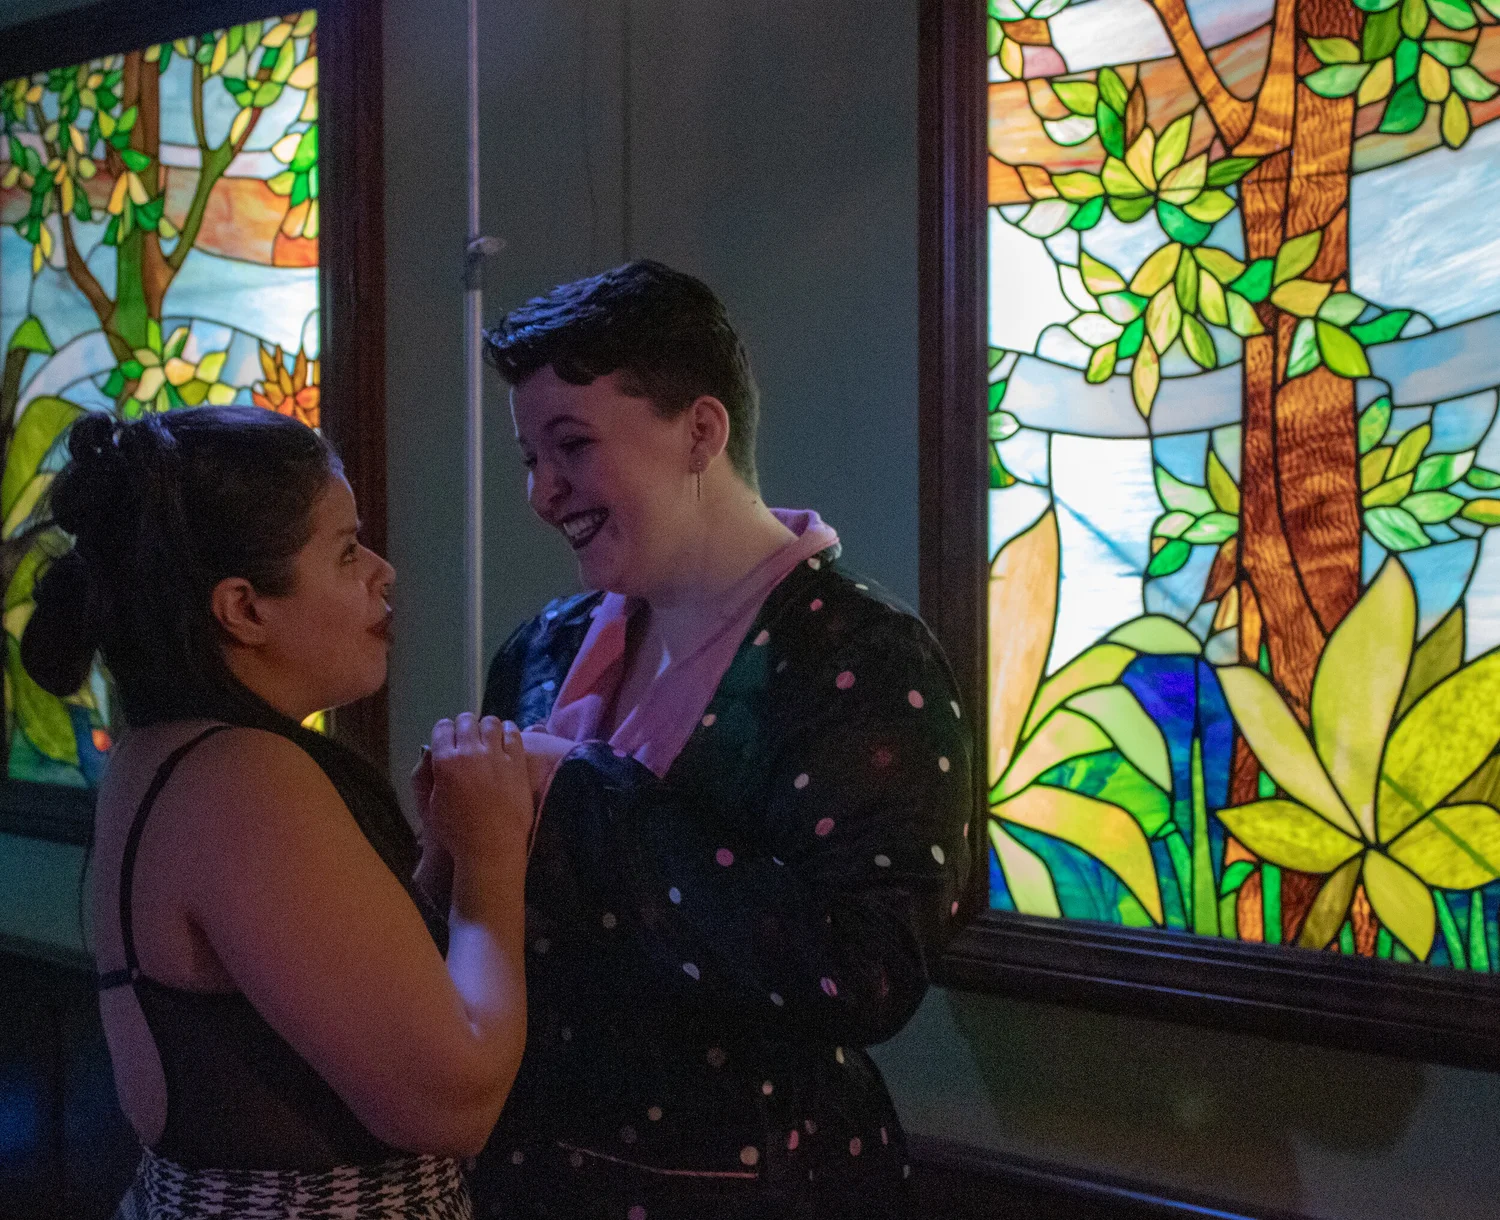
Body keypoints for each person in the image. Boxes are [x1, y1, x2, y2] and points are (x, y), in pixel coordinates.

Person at [469, 261, 972, 1219]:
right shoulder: (542, 648)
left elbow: (871, 973)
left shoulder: (862, 656)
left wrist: (576, 794)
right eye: (531, 457)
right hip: (537, 1178)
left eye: (572, 445)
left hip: (766, 1188)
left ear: (702, 430)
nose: (541, 493)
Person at [24, 407, 531, 1220]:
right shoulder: (240, 778)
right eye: (346, 550)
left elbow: (349, 995)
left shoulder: (171, 753)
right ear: (244, 608)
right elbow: (454, 1103)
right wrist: (493, 857)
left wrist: (441, 853)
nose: (384, 572)